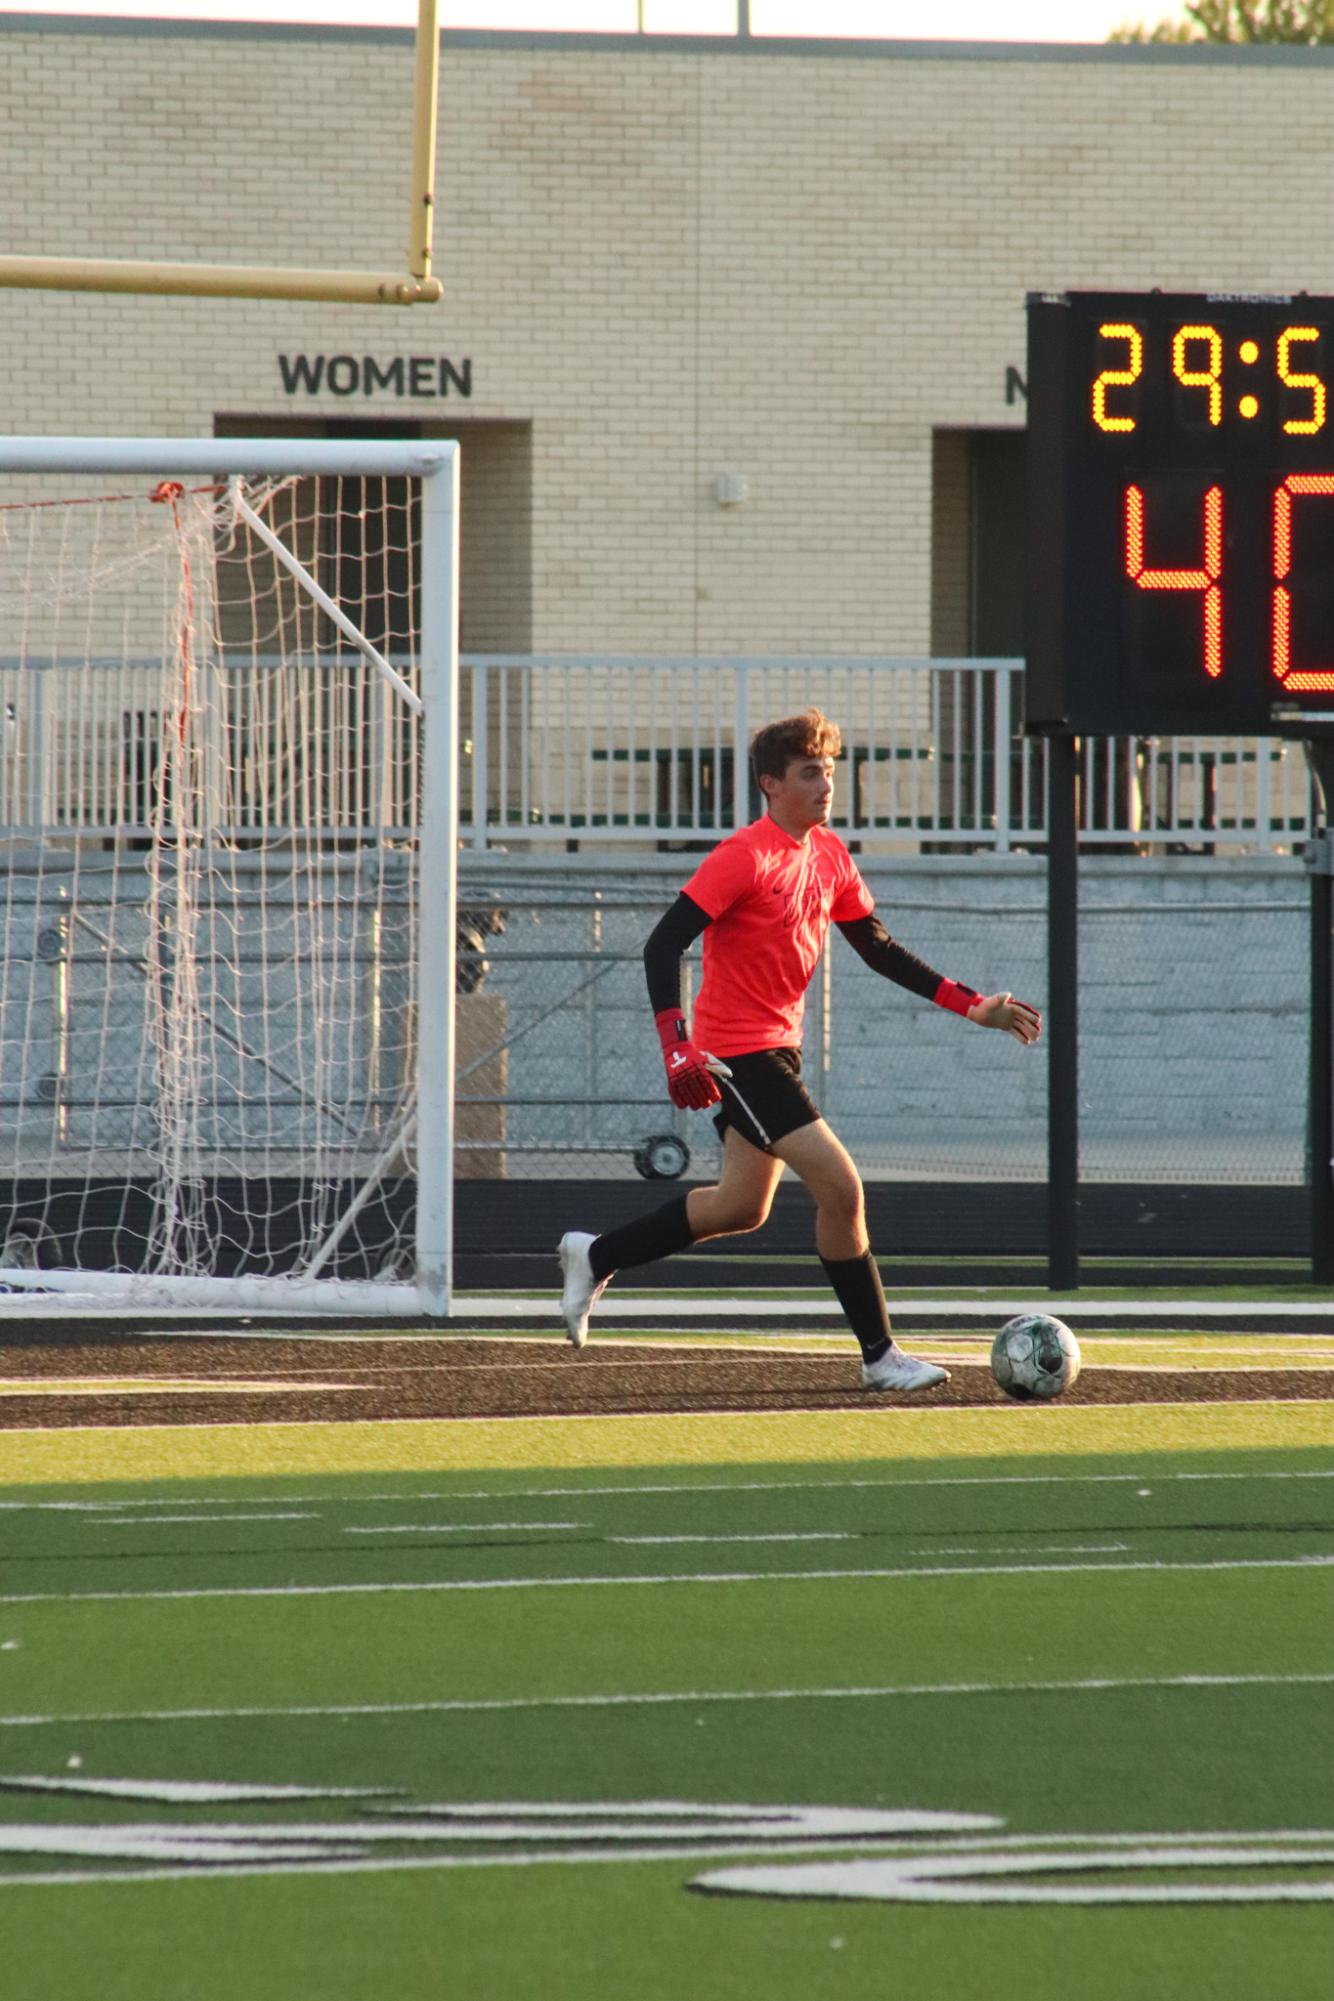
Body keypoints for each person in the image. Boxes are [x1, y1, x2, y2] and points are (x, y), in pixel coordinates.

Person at [558, 708, 1041, 1392]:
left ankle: (595, 1253)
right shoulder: (744, 855)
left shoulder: (830, 855)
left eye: (830, 771)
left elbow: (877, 948)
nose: (826, 784)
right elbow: (663, 942)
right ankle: (880, 1355)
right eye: (810, 772)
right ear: (771, 784)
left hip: (777, 1051)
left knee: (740, 1207)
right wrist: (677, 1046)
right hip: (735, 1056)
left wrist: (972, 1005)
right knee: (842, 1188)